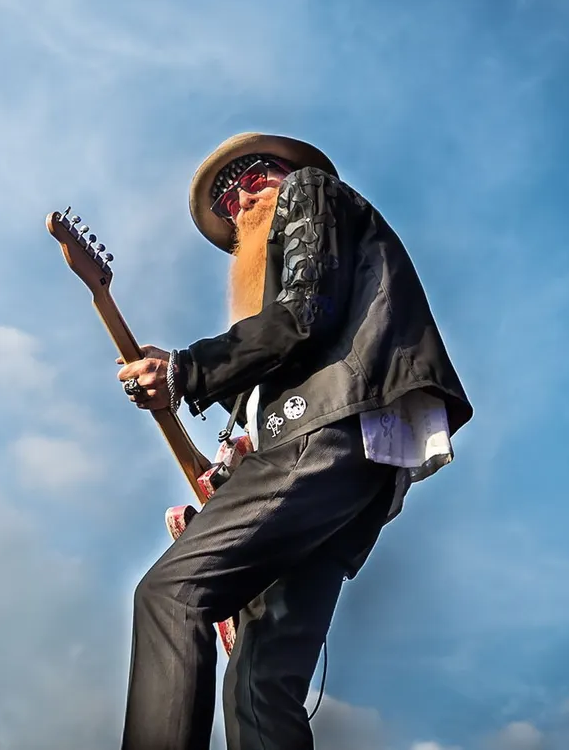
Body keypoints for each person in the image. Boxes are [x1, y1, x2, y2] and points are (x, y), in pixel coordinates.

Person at [115, 133, 473, 750]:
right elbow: (287, 339)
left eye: (253, 174)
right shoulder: (288, 319)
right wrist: (202, 404)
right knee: (259, 685)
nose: (241, 198)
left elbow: (302, 314)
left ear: (287, 172)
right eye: (226, 199)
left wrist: (185, 370)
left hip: (322, 435)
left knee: (170, 595)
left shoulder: (311, 190)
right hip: (350, 468)